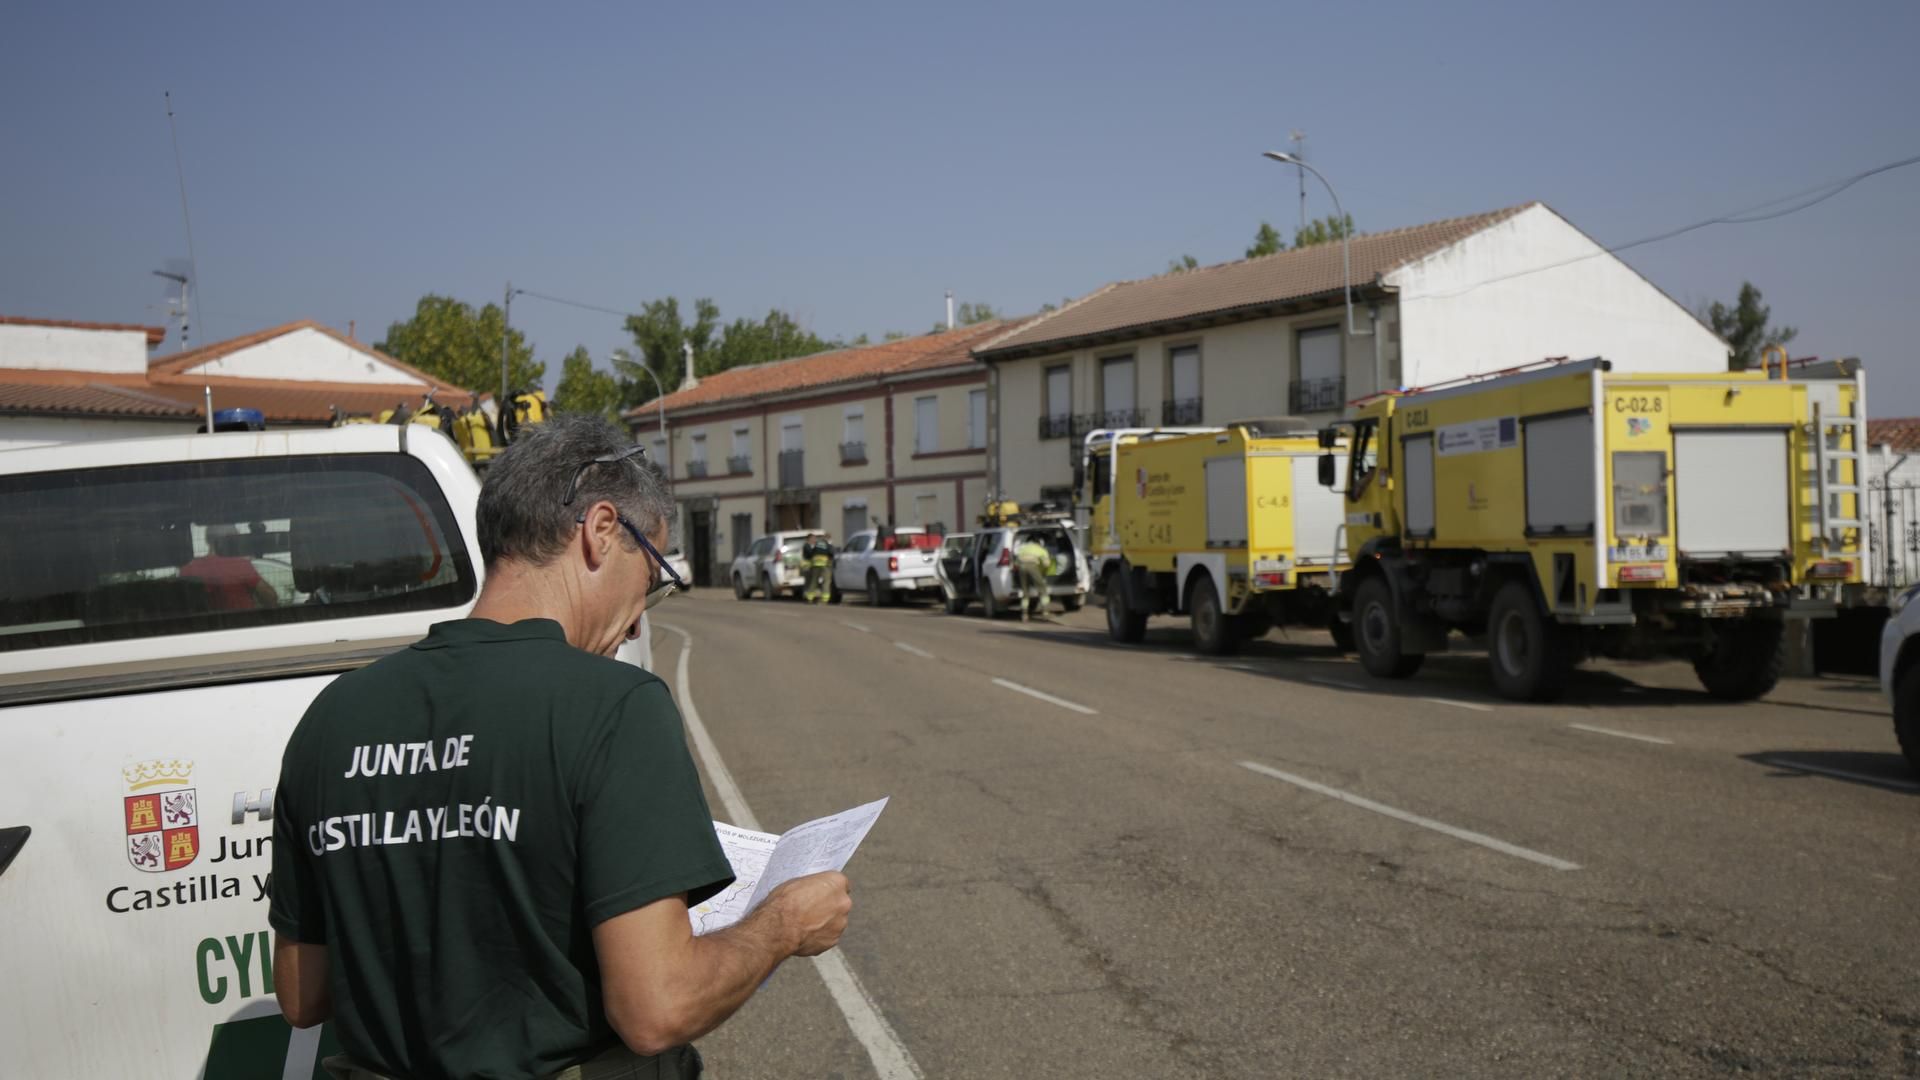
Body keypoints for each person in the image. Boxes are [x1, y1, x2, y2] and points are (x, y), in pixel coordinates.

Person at [270, 415, 853, 1080]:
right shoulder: (617, 707)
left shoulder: (332, 717)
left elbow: (302, 994)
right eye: (651, 576)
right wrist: (782, 925)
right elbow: (658, 1008)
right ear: (601, 530)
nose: (638, 622)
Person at [180, 523, 278, 610]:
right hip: (240, 622)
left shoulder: (188, 569)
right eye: (237, 538)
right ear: (230, 540)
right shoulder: (239, 565)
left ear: (207, 539)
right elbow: (270, 598)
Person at [1012, 535, 1059, 623]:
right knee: (1042, 590)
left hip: (1021, 568)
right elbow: (1047, 564)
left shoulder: (1022, 549)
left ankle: (1024, 615)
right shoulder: (1041, 549)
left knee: (1025, 592)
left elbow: (1016, 563)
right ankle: (1045, 612)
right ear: (1039, 543)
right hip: (1033, 567)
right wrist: (1043, 572)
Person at [801, 532, 834, 604]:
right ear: (829, 538)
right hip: (825, 565)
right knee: (826, 582)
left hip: (815, 565)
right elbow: (831, 553)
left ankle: (809, 598)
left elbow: (812, 553)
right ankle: (825, 599)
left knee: (813, 582)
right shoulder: (828, 545)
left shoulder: (817, 544)